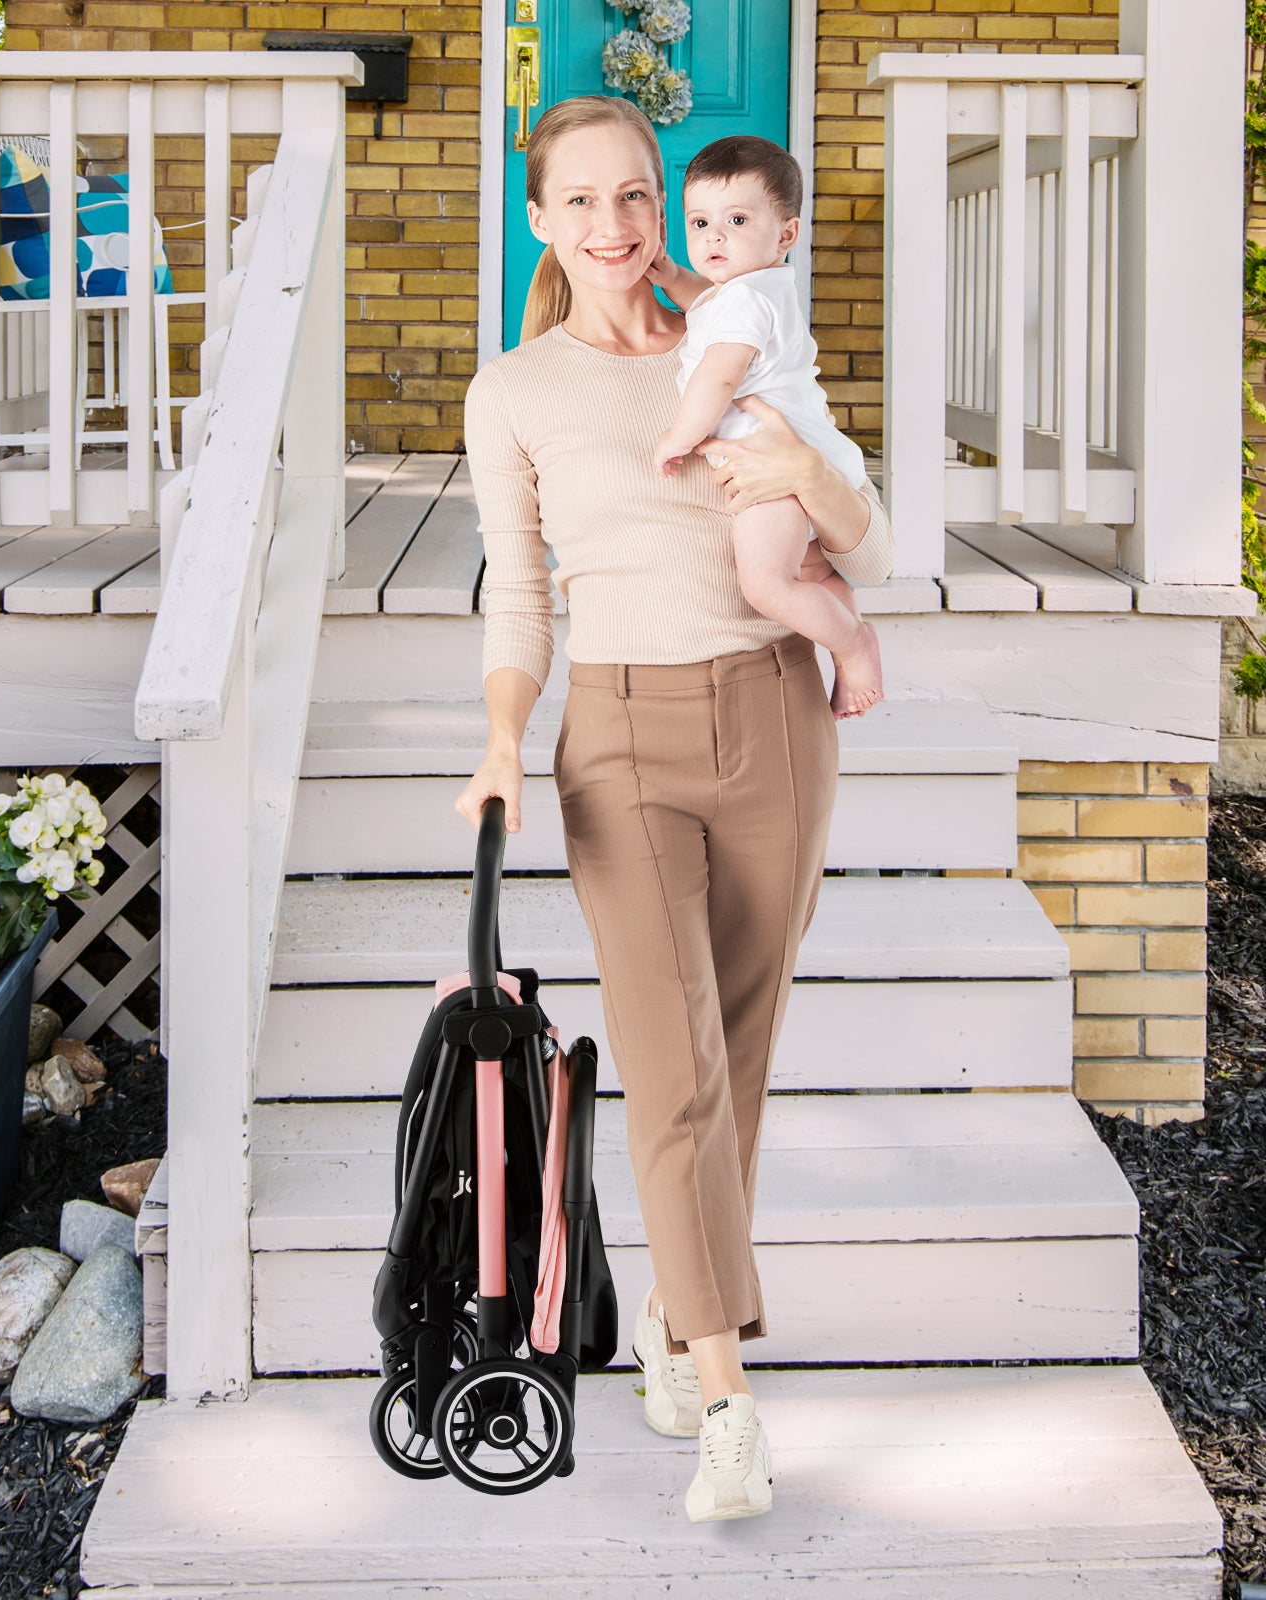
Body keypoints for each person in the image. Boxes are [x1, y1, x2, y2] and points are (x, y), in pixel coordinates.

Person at [455, 94, 895, 1523]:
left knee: (742, 1057)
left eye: (636, 196)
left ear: (669, 206)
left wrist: (809, 477)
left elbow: (865, 538)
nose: (614, 227)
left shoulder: (749, 334)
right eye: (580, 202)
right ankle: (727, 1403)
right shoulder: (516, 388)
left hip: (775, 716)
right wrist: (505, 740)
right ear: (539, 220)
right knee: (676, 1062)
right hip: (622, 745)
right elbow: (518, 592)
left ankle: (671, 1317)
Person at [650, 136, 883, 720]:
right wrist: (673, 274)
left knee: (767, 585)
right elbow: (705, 301)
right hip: (809, 456)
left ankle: (854, 646)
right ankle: (850, 641)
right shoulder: (757, 290)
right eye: (699, 222)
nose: (714, 237)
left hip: (773, 469)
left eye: (736, 219)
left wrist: (679, 437)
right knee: (813, 570)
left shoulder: (744, 303)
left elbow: (719, 376)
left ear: (786, 234)